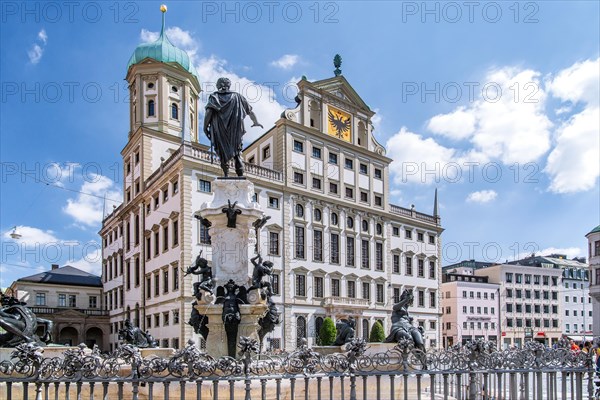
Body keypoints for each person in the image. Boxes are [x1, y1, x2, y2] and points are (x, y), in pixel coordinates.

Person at [204, 77, 263, 177]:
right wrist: (255, 121)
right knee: (237, 153)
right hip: (235, 130)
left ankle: (226, 175)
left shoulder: (214, 97)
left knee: (223, 153)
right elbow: (250, 111)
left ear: (220, 85)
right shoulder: (238, 97)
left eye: (218, 84)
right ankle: (240, 176)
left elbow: (209, 113)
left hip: (220, 129)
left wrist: (205, 127)